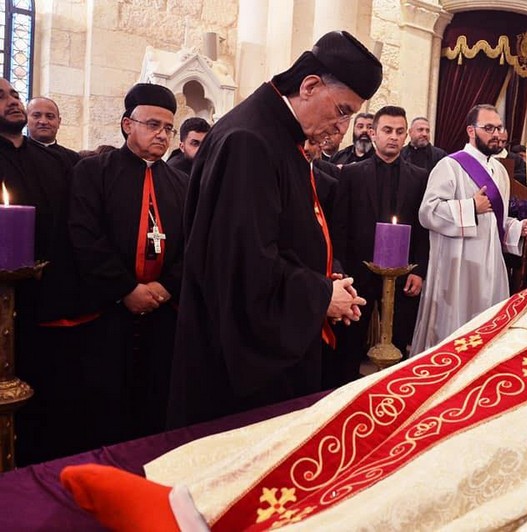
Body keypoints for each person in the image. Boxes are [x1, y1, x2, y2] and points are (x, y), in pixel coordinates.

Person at [60, 275, 527, 532]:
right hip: (458, 374)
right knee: (363, 406)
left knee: (458, 460)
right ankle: (191, 506)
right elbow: (484, 329)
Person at [167, 31, 381, 428]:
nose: (342, 127)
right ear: (310, 85)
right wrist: (319, 296)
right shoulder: (249, 141)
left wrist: (325, 283)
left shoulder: (278, 134)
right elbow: (240, 267)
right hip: (237, 369)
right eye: (342, 110)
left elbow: (281, 239)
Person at [68, 83, 188, 447]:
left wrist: (167, 286)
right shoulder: (93, 172)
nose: (162, 135)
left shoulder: (182, 183)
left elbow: (195, 244)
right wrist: (125, 290)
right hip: (108, 313)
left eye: (168, 128)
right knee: (105, 407)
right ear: (126, 124)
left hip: (163, 313)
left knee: (155, 405)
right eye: (153, 125)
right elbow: (84, 235)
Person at [0, 79, 88, 464]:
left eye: (14, 94)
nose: (12, 102)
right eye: (0, 97)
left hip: (49, 295)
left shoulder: (58, 162)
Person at [410, 104, 527, 355]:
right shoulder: (450, 166)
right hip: (457, 266)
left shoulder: (499, 171)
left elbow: (495, 222)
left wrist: (516, 228)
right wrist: (470, 207)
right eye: (488, 128)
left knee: (488, 325)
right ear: (471, 130)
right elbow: (428, 212)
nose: (497, 134)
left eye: (499, 128)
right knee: (455, 327)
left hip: (490, 263)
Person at [330, 105, 429, 385]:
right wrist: (339, 268)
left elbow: (423, 230)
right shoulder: (351, 174)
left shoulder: (419, 177)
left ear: (406, 135)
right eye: (387, 130)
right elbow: (340, 227)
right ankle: (343, 396)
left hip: (403, 273)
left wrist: (419, 271)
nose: (394, 137)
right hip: (358, 271)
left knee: (398, 342)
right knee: (349, 345)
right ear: (373, 133)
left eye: (400, 132)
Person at [26, 96, 80, 167]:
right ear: (26, 120)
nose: (43, 121)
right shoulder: (17, 153)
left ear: (59, 122)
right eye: (36, 116)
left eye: (50, 116)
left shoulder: (73, 159)